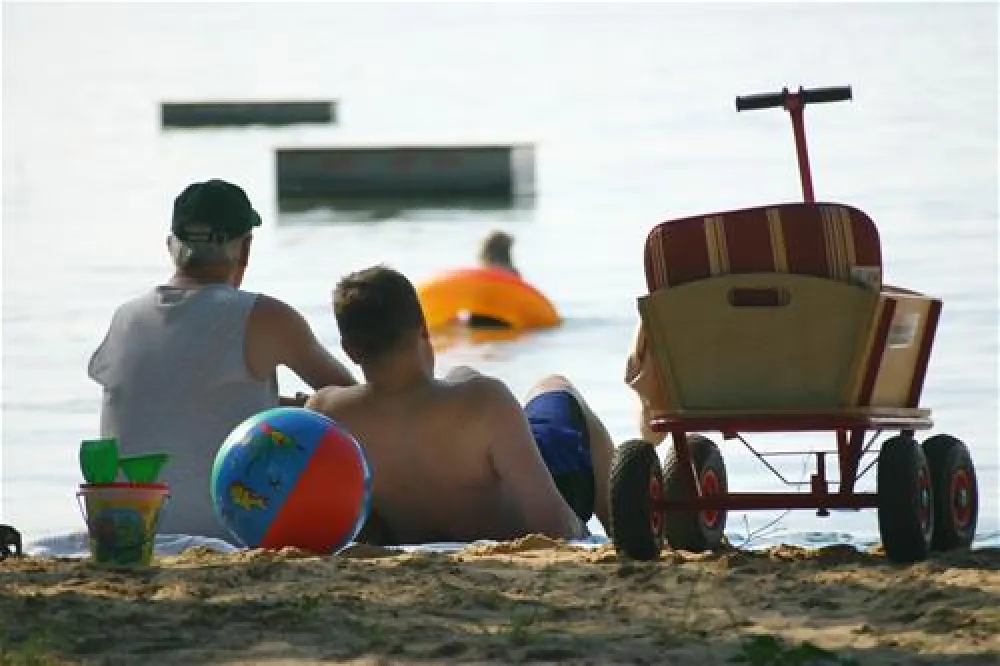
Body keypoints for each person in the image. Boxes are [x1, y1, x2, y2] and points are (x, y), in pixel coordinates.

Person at [88, 179, 356, 540]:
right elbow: (354, 401)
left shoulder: (125, 317)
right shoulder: (263, 317)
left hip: (133, 532)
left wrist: (283, 405)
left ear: (171, 246)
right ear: (245, 250)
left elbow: (179, 401)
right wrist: (307, 408)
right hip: (231, 531)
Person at [306, 264, 615, 545]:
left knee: (460, 374)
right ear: (424, 330)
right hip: (523, 502)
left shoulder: (325, 415)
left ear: (350, 350)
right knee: (556, 386)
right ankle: (625, 533)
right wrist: (584, 536)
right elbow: (551, 522)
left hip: (413, 531)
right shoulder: (485, 401)